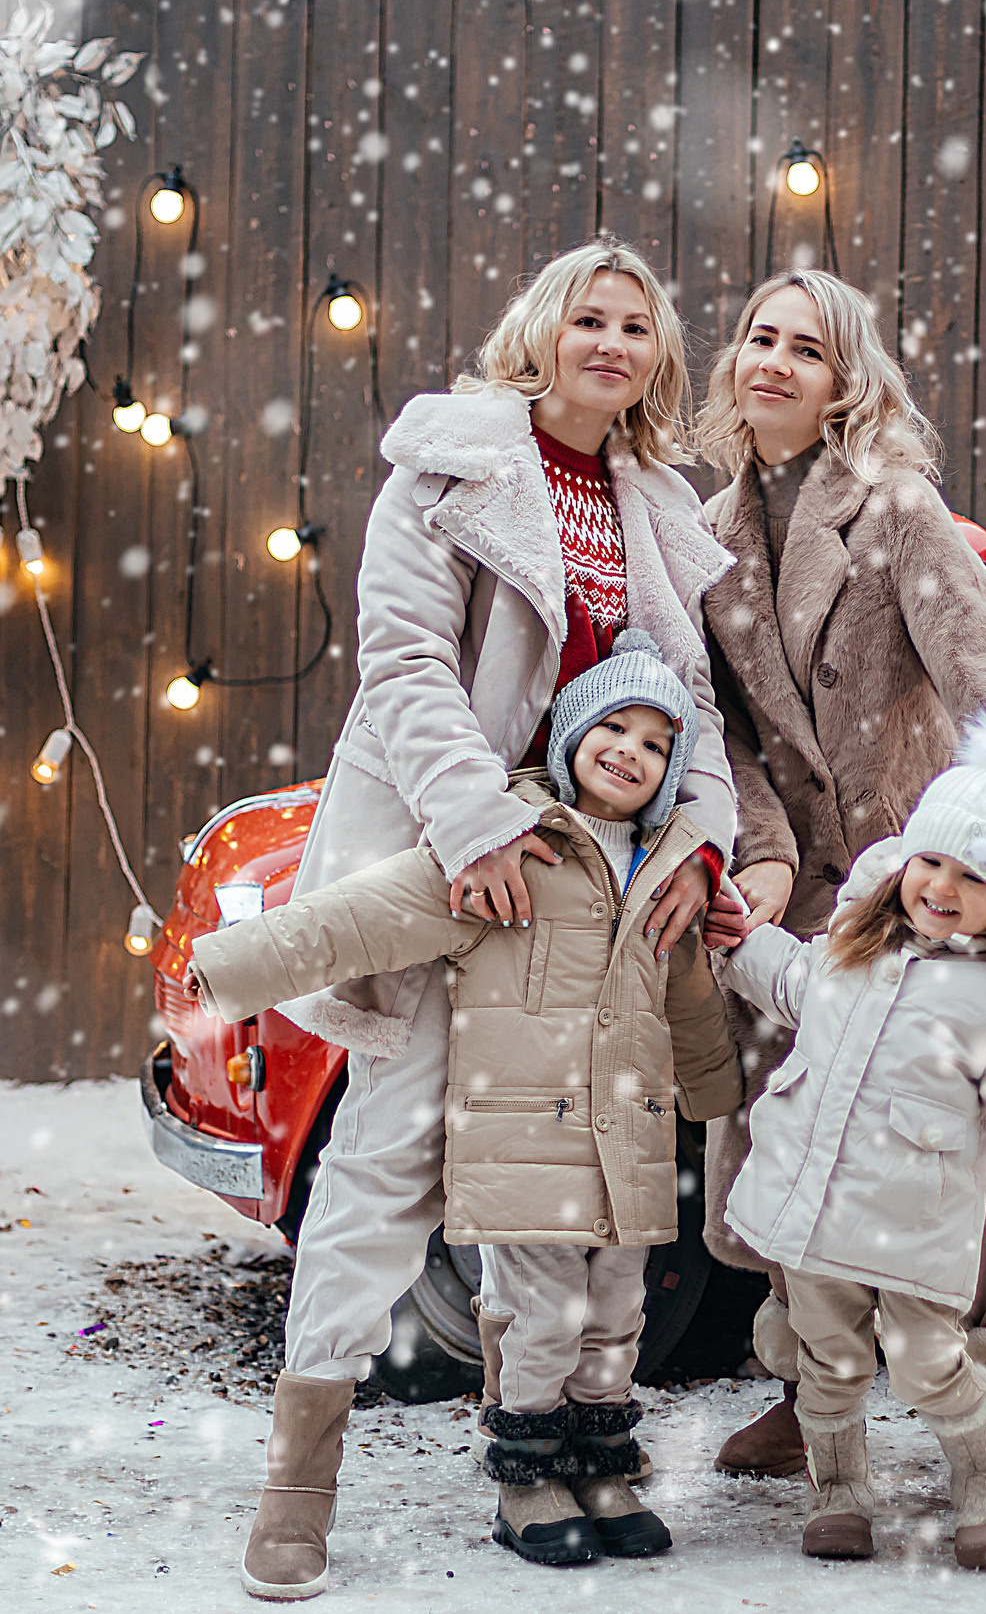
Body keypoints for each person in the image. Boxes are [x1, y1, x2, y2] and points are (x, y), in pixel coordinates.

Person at [233, 239, 736, 1601]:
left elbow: (686, 697)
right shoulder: (448, 466)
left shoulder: (655, 500)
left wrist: (701, 841)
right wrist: (480, 820)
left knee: (560, 1169)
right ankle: (299, 1481)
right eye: (592, 315)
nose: (614, 342)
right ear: (545, 328)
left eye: (638, 325)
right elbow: (399, 658)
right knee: (388, 1151)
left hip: (591, 891)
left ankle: (543, 1453)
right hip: (460, 856)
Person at [691, 269, 986, 1522]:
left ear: (847, 379)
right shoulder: (706, 531)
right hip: (807, 895)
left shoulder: (898, 510)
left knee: (973, 1154)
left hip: (932, 874)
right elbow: (723, 730)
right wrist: (757, 857)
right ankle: (811, 1395)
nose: (775, 363)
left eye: (807, 347)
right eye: (758, 339)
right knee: (801, 1133)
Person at [189, 634, 741, 1570]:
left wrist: (716, 1091)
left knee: (617, 1314)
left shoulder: (665, 872)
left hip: (628, 1151)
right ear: (567, 732)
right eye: (612, 725)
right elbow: (367, 914)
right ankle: (526, 1474)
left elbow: (687, 994)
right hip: (525, 1151)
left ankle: (601, 1464)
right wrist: (234, 966)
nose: (630, 752)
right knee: (543, 1316)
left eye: (655, 744)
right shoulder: (511, 848)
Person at [706, 699, 986, 1570]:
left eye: (973, 875)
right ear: (903, 858)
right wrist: (735, 941)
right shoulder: (851, 944)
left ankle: (985, 1484)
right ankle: (840, 1495)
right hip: (809, 1219)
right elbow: (790, 976)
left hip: (914, 1226)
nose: (942, 886)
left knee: (930, 1365)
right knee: (828, 1366)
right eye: (931, 859)